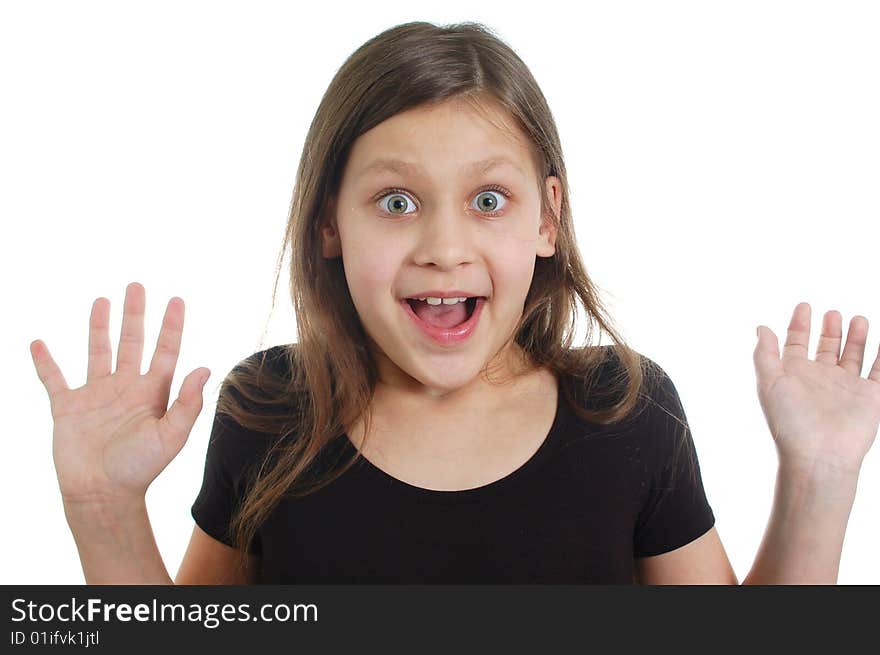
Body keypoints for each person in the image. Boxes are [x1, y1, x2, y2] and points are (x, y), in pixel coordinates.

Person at [30, 21, 880, 585]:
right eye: (397, 202)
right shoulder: (271, 409)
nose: (444, 245)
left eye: (488, 200)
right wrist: (103, 509)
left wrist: (822, 476)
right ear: (329, 223)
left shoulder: (628, 413)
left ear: (547, 218)